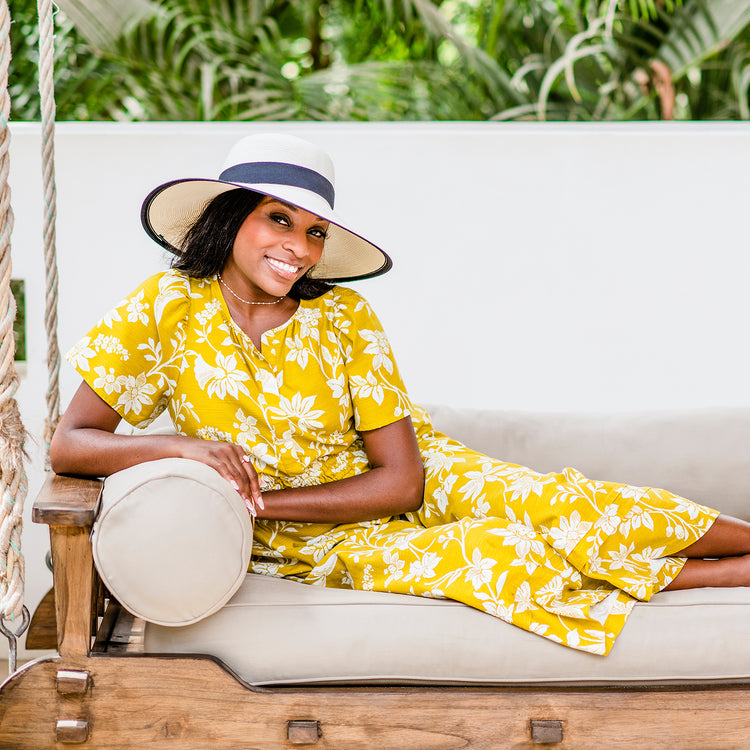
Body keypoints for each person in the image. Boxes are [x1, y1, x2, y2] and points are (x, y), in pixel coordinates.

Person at [50, 133, 750, 656]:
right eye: (280, 220)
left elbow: (404, 480)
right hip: (297, 541)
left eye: (315, 231)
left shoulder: (344, 318)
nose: (299, 246)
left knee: (563, 507)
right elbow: (70, 443)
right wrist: (184, 448)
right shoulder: (162, 307)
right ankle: (727, 578)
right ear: (230, 218)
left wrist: (265, 499)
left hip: (406, 484)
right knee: (499, 557)